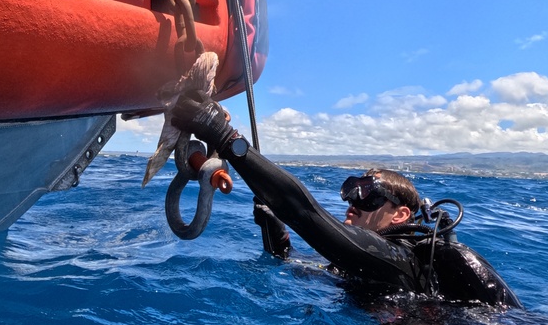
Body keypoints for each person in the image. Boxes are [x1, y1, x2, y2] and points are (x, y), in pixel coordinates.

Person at [171, 95, 521, 307]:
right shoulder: (363, 261)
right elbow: (293, 263)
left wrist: (222, 134)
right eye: (352, 190)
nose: (353, 201)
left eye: (368, 194)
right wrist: (273, 226)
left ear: (400, 214)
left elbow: (307, 213)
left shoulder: (398, 259)